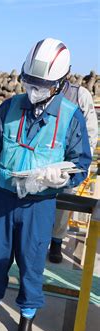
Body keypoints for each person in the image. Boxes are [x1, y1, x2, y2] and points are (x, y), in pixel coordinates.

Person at [0, 38, 92, 331]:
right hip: (4, 199)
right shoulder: (9, 107)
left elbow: (81, 162)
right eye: (30, 82)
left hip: (40, 204)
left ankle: (26, 319)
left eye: (43, 84)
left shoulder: (70, 116)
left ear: (60, 83)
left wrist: (61, 179)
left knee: (32, 262)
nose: (35, 89)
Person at [49, 75, 98, 263]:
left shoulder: (80, 95)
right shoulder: (42, 92)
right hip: (46, 158)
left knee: (63, 203)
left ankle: (56, 242)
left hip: (69, 162)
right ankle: (39, 239)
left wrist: (81, 163)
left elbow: (91, 131)